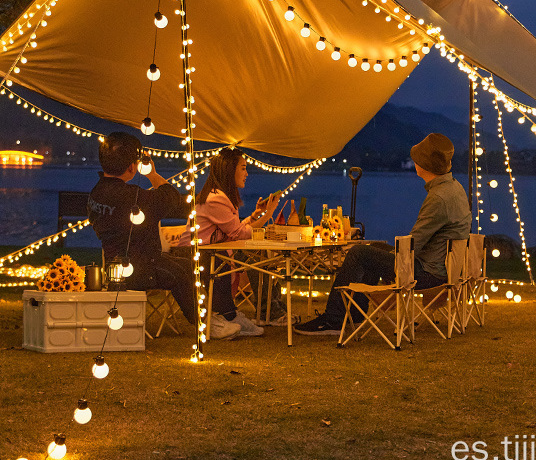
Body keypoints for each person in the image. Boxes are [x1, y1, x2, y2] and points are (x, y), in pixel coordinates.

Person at [294, 132, 472, 336]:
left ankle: (334, 319)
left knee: (359, 253)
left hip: (427, 274)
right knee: (374, 250)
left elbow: (414, 243)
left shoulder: (439, 198)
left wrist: (394, 254)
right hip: (442, 268)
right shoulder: (454, 188)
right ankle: (355, 314)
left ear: (423, 164)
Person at [87, 131, 203, 336]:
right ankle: (204, 323)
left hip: (115, 268)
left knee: (187, 265)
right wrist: (152, 174)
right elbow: (171, 196)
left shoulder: (96, 193)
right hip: (142, 269)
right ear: (132, 166)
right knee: (185, 273)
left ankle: (213, 317)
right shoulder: (132, 197)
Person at [176, 147, 283, 338]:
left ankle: (266, 309)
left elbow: (234, 230)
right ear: (229, 170)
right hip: (193, 254)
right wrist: (268, 214)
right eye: (243, 168)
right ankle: (229, 314)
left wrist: (254, 215)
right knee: (223, 257)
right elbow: (238, 233)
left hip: (212, 250)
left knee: (254, 255)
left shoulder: (222, 196)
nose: (246, 173)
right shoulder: (215, 198)